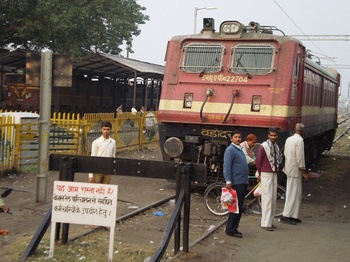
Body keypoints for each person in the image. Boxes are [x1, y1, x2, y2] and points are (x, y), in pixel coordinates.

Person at [280, 123, 309, 225]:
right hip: (295, 171)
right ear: (302, 131)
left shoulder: (289, 139)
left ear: (294, 129)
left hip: (289, 168)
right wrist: (304, 172)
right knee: (293, 193)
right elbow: (300, 158)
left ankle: (293, 215)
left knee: (296, 193)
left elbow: (285, 154)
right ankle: (286, 215)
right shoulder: (299, 141)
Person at [223, 130, 249, 238]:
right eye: (235, 137)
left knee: (239, 206)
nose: (238, 139)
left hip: (242, 181)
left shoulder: (239, 149)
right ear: (231, 139)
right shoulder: (230, 150)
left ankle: (234, 228)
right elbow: (227, 166)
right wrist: (228, 181)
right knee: (236, 207)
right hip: (237, 182)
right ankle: (231, 229)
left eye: (239, 137)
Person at [255, 127, 282, 231]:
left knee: (273, 198)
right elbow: (258, 161)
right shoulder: (264, 146)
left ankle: (270, 222)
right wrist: (259, 173)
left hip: (273, 173)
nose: (273, 137)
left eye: (275, 135)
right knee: (267, 198)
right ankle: (265, 223)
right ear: (268, 135)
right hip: (266, 173)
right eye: (271, 135)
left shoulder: (276, 146)